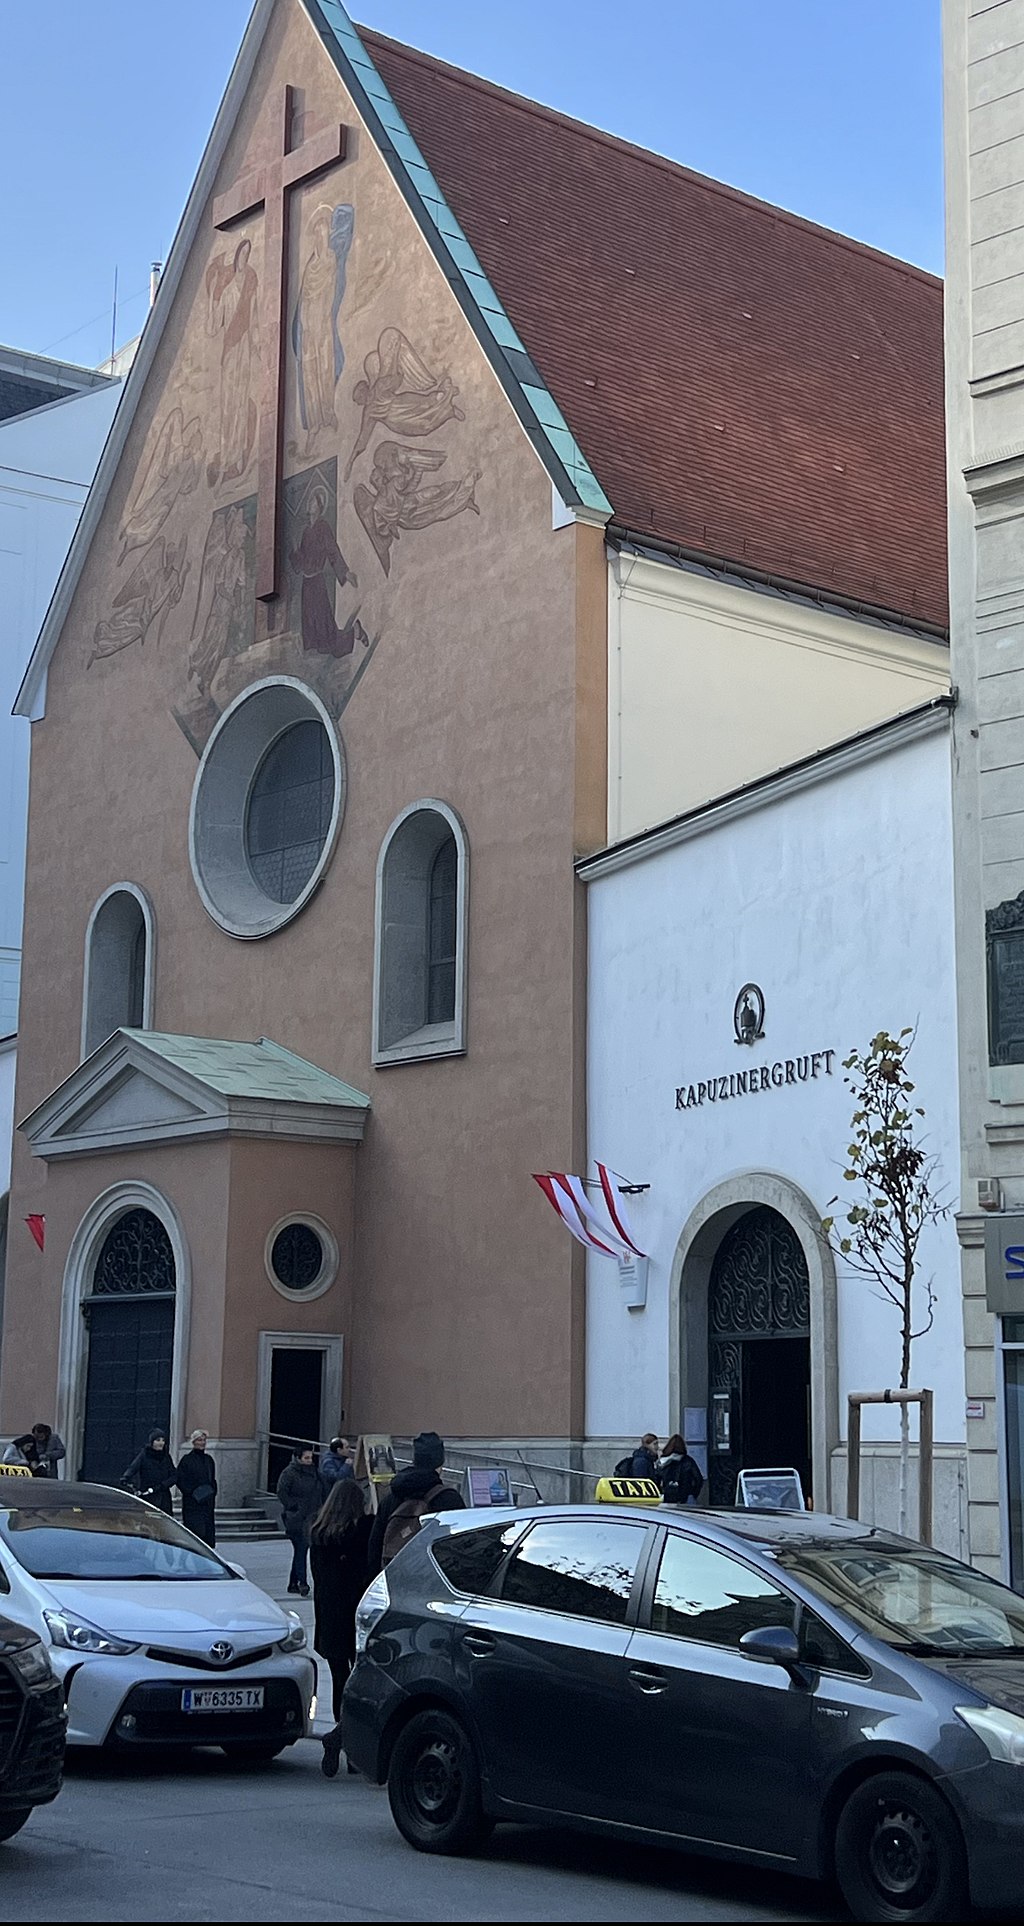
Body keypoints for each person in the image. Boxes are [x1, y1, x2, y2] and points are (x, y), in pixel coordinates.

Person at [310, 1479, 372, 1778]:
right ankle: (345, 1742)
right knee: (359, 1682)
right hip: (354, 1614)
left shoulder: (319, 1533)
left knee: (339, 1680)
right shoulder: (358, 1532)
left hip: (329, 1615)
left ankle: (341, 1737)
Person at [367, 1431, 464, 1576]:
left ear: (414, 1460)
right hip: (434, 1581)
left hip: (395, 1578)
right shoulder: (449, 1499)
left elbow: (375, 1546)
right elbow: (462, 1545)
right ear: (440, 1464)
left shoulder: (391, 1498)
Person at [276, 1446, 324, 1596]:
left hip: (312, 1516)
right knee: (301, 1549)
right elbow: (281, 1492)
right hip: (296, 1518)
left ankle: (293, 1583)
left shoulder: (315, 1473)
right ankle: (302, 1582)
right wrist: (293, 1507)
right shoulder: (289, 1473)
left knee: (300, 1551)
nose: (309, 1461)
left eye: (310, 1458)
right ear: (297, 1458)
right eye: (306, 1458)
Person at [121, 1428, 177, 1515]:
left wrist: (163, 1485)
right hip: (148, 1494)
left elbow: (173, 1476)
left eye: (163, 1440)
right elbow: (133, 1467)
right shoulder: (144, 1455)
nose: (161, 1443)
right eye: (158, 1440)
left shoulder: (166, 1457)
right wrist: (126, 1477)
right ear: (152, 1442)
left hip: (163, 1496)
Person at [177, 1429, 217, 1546]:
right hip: (192, 1504)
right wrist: (191, 1493)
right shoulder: (187, 1460)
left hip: (207, 1502)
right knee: (195, 1533)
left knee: (207, 1535)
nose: (202, 1443)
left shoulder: (209, 1460)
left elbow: (212, 1479)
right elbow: (180, 1479)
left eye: (204, 1440)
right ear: (194, 1442)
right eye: (200, 1440)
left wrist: (213, 1491)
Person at [657, 1433, 704, 1506]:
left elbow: (657, 1478)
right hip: (684, 1496)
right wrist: (693, 1493)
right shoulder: (688, 1461)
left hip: (667, 1496)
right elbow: (698, 1479)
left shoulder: (663, 1461)